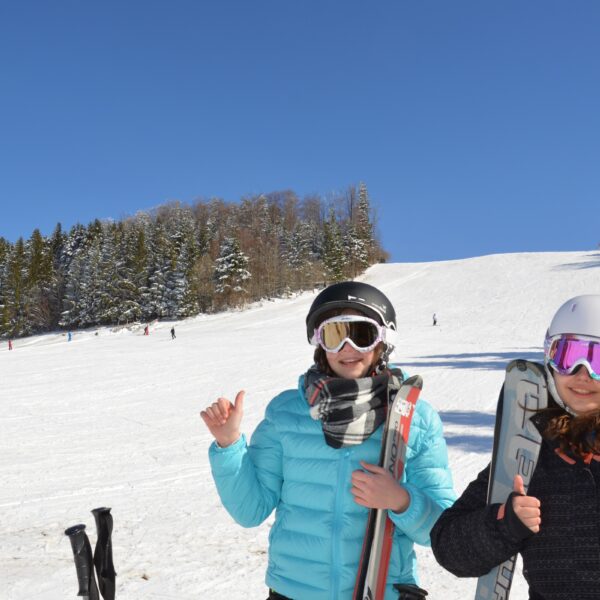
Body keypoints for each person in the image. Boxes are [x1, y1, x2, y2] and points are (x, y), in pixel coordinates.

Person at [201, 281, 455, 599]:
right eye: (335, 336)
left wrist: (400, 501)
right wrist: (229, 445)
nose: (347, 348)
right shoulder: (287, 413)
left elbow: (443, 529)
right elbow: (250, 511)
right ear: (320, 344)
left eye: (361, 335)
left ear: (384, 342)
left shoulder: (414, 418)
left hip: (380, 591)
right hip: (294, 592)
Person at [430, 294, 600, 600]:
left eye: (599, 360)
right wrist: (504, 523)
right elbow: (447, 544)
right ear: (549, 357)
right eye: (568, 355)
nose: (583, 374)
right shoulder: (530, 450)